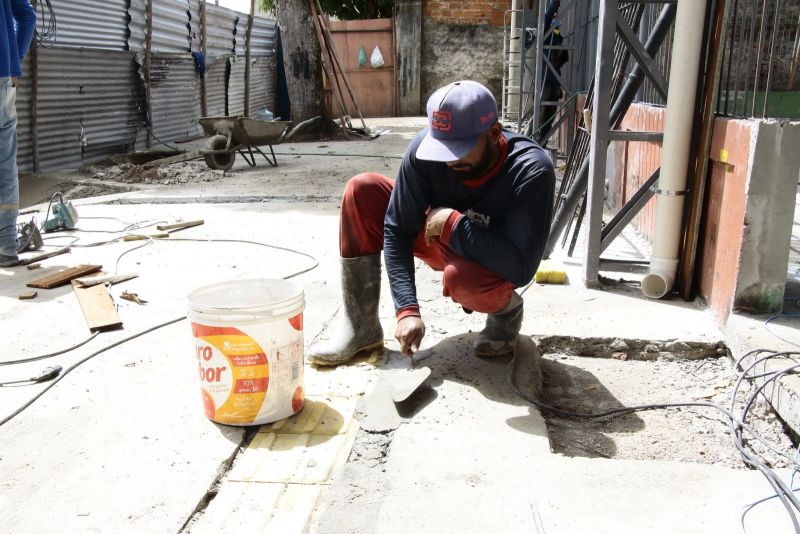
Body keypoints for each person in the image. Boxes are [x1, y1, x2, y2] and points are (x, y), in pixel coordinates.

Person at [307, 80, 555, 366]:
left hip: (487, 260)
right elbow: (397, 229)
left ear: (494, 133)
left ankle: (505, 313)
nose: (448, 160)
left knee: (463, 280)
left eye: (459, 149)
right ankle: (361, 328)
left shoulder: (531, 171)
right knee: (362, 190)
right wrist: (407, 309)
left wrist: (451, 224)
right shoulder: (424, 151)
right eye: (442, 147)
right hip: (435, 238)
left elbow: (520, 268)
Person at [0, 0, 36, 267]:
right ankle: (7, 246)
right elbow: (27, 17)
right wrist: (14, 59)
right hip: (4, 78)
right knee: (5, 165)